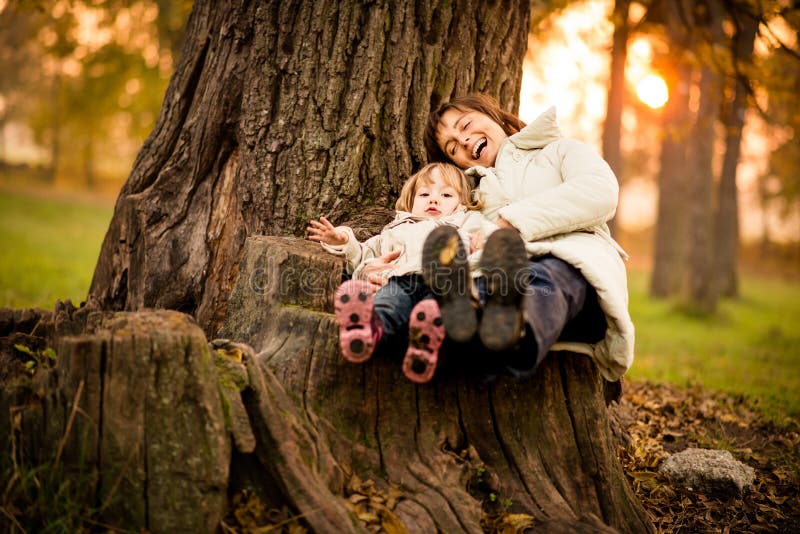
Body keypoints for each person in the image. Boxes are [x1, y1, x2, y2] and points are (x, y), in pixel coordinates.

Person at [421, 93, 634, 382]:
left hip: (578, 279)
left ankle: (509, 329)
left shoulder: (559, 150)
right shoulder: (468, 196)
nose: (465, 141)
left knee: (549, 275)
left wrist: (510, 222)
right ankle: (472, 338)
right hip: (500, 281)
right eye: (452, 147)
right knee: (470, 287)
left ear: (492, 114)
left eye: (466, 125)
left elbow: (599, 192)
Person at [307, 162, 496, 383]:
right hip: (399, 280)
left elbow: (486, 242)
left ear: (462, 203)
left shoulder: (466, 222)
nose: (433, 200)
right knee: (388, 304)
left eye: (446, 195)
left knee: (437, 312)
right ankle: (367, 330)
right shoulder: (395, 230)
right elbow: (363, 254)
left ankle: (425, 348)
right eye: (424, 194)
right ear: (410, 202)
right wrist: (343, 240)